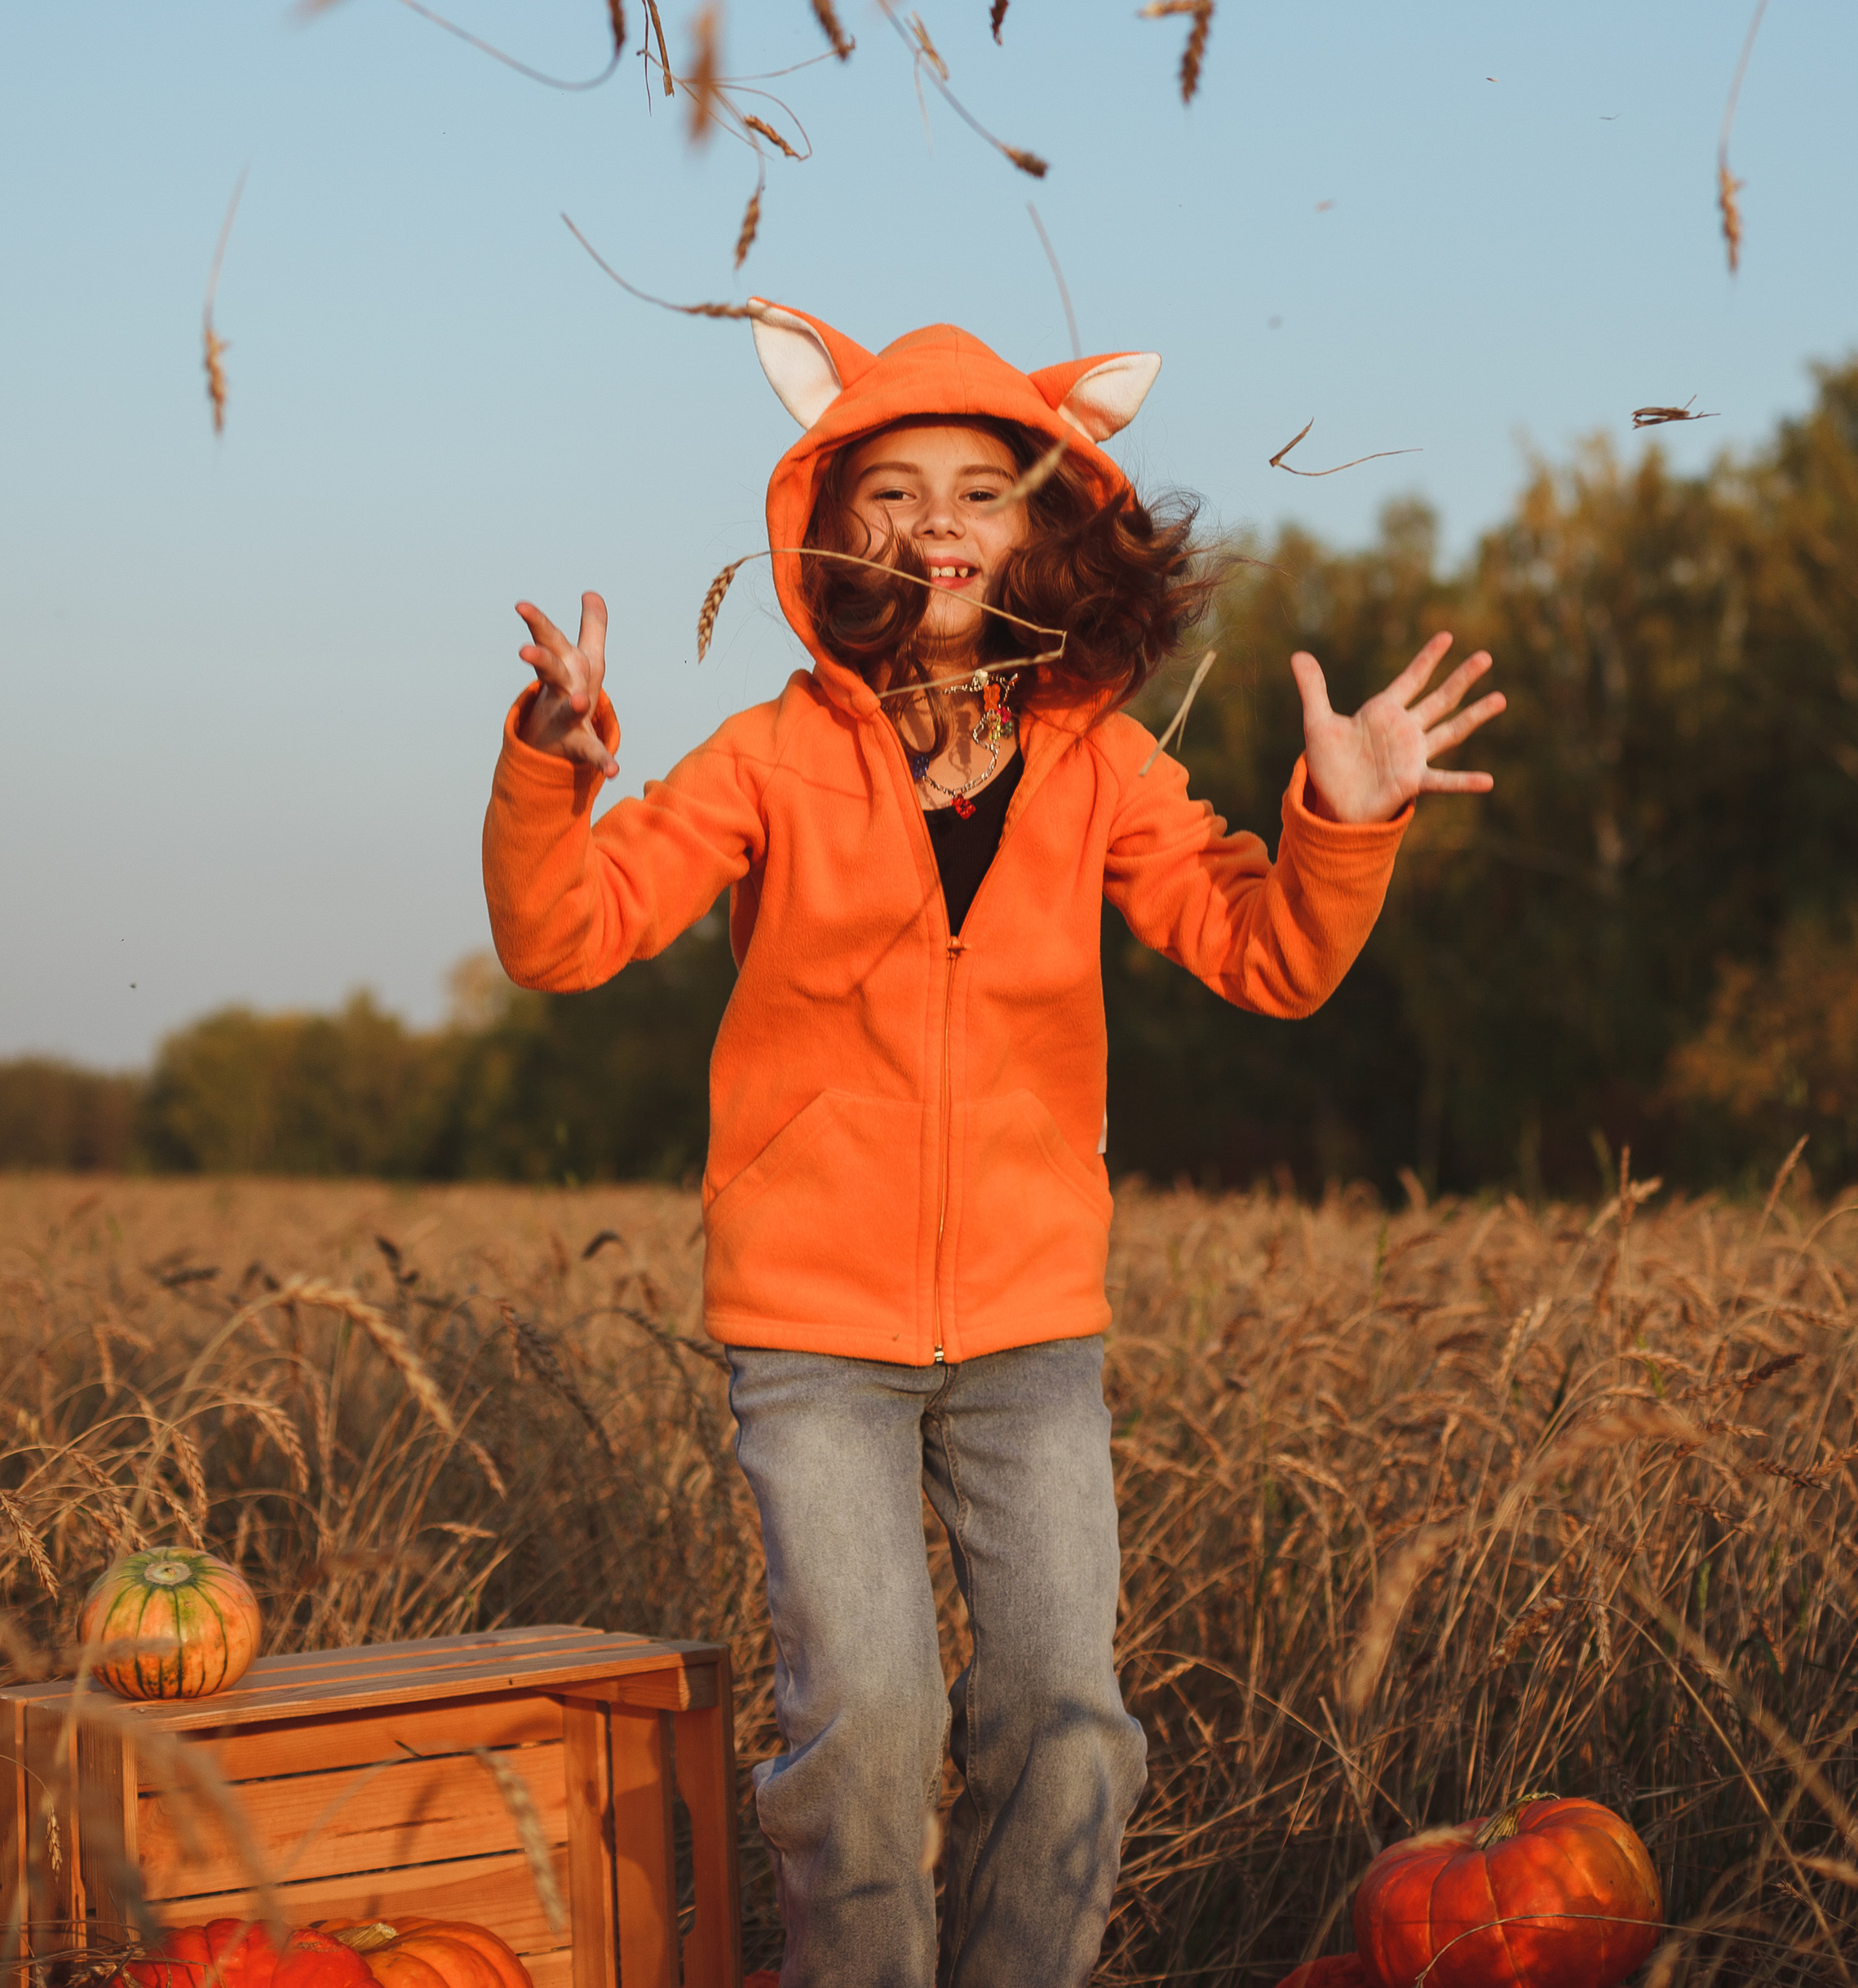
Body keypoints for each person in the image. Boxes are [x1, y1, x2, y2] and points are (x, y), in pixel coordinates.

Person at [482, 303, 1503, 1988]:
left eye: (983, 484)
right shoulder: (766, 759)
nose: (937, 517)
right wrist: (547, 773)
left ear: (1046, 527)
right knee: (866, 1722)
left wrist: (1345, 818)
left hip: (1033, 1335)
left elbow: (1270, 958)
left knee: (1066, 1722)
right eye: (890, 488)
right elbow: (565, 936)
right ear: (827, 531)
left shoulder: (1097, 768)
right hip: (815, 1337)